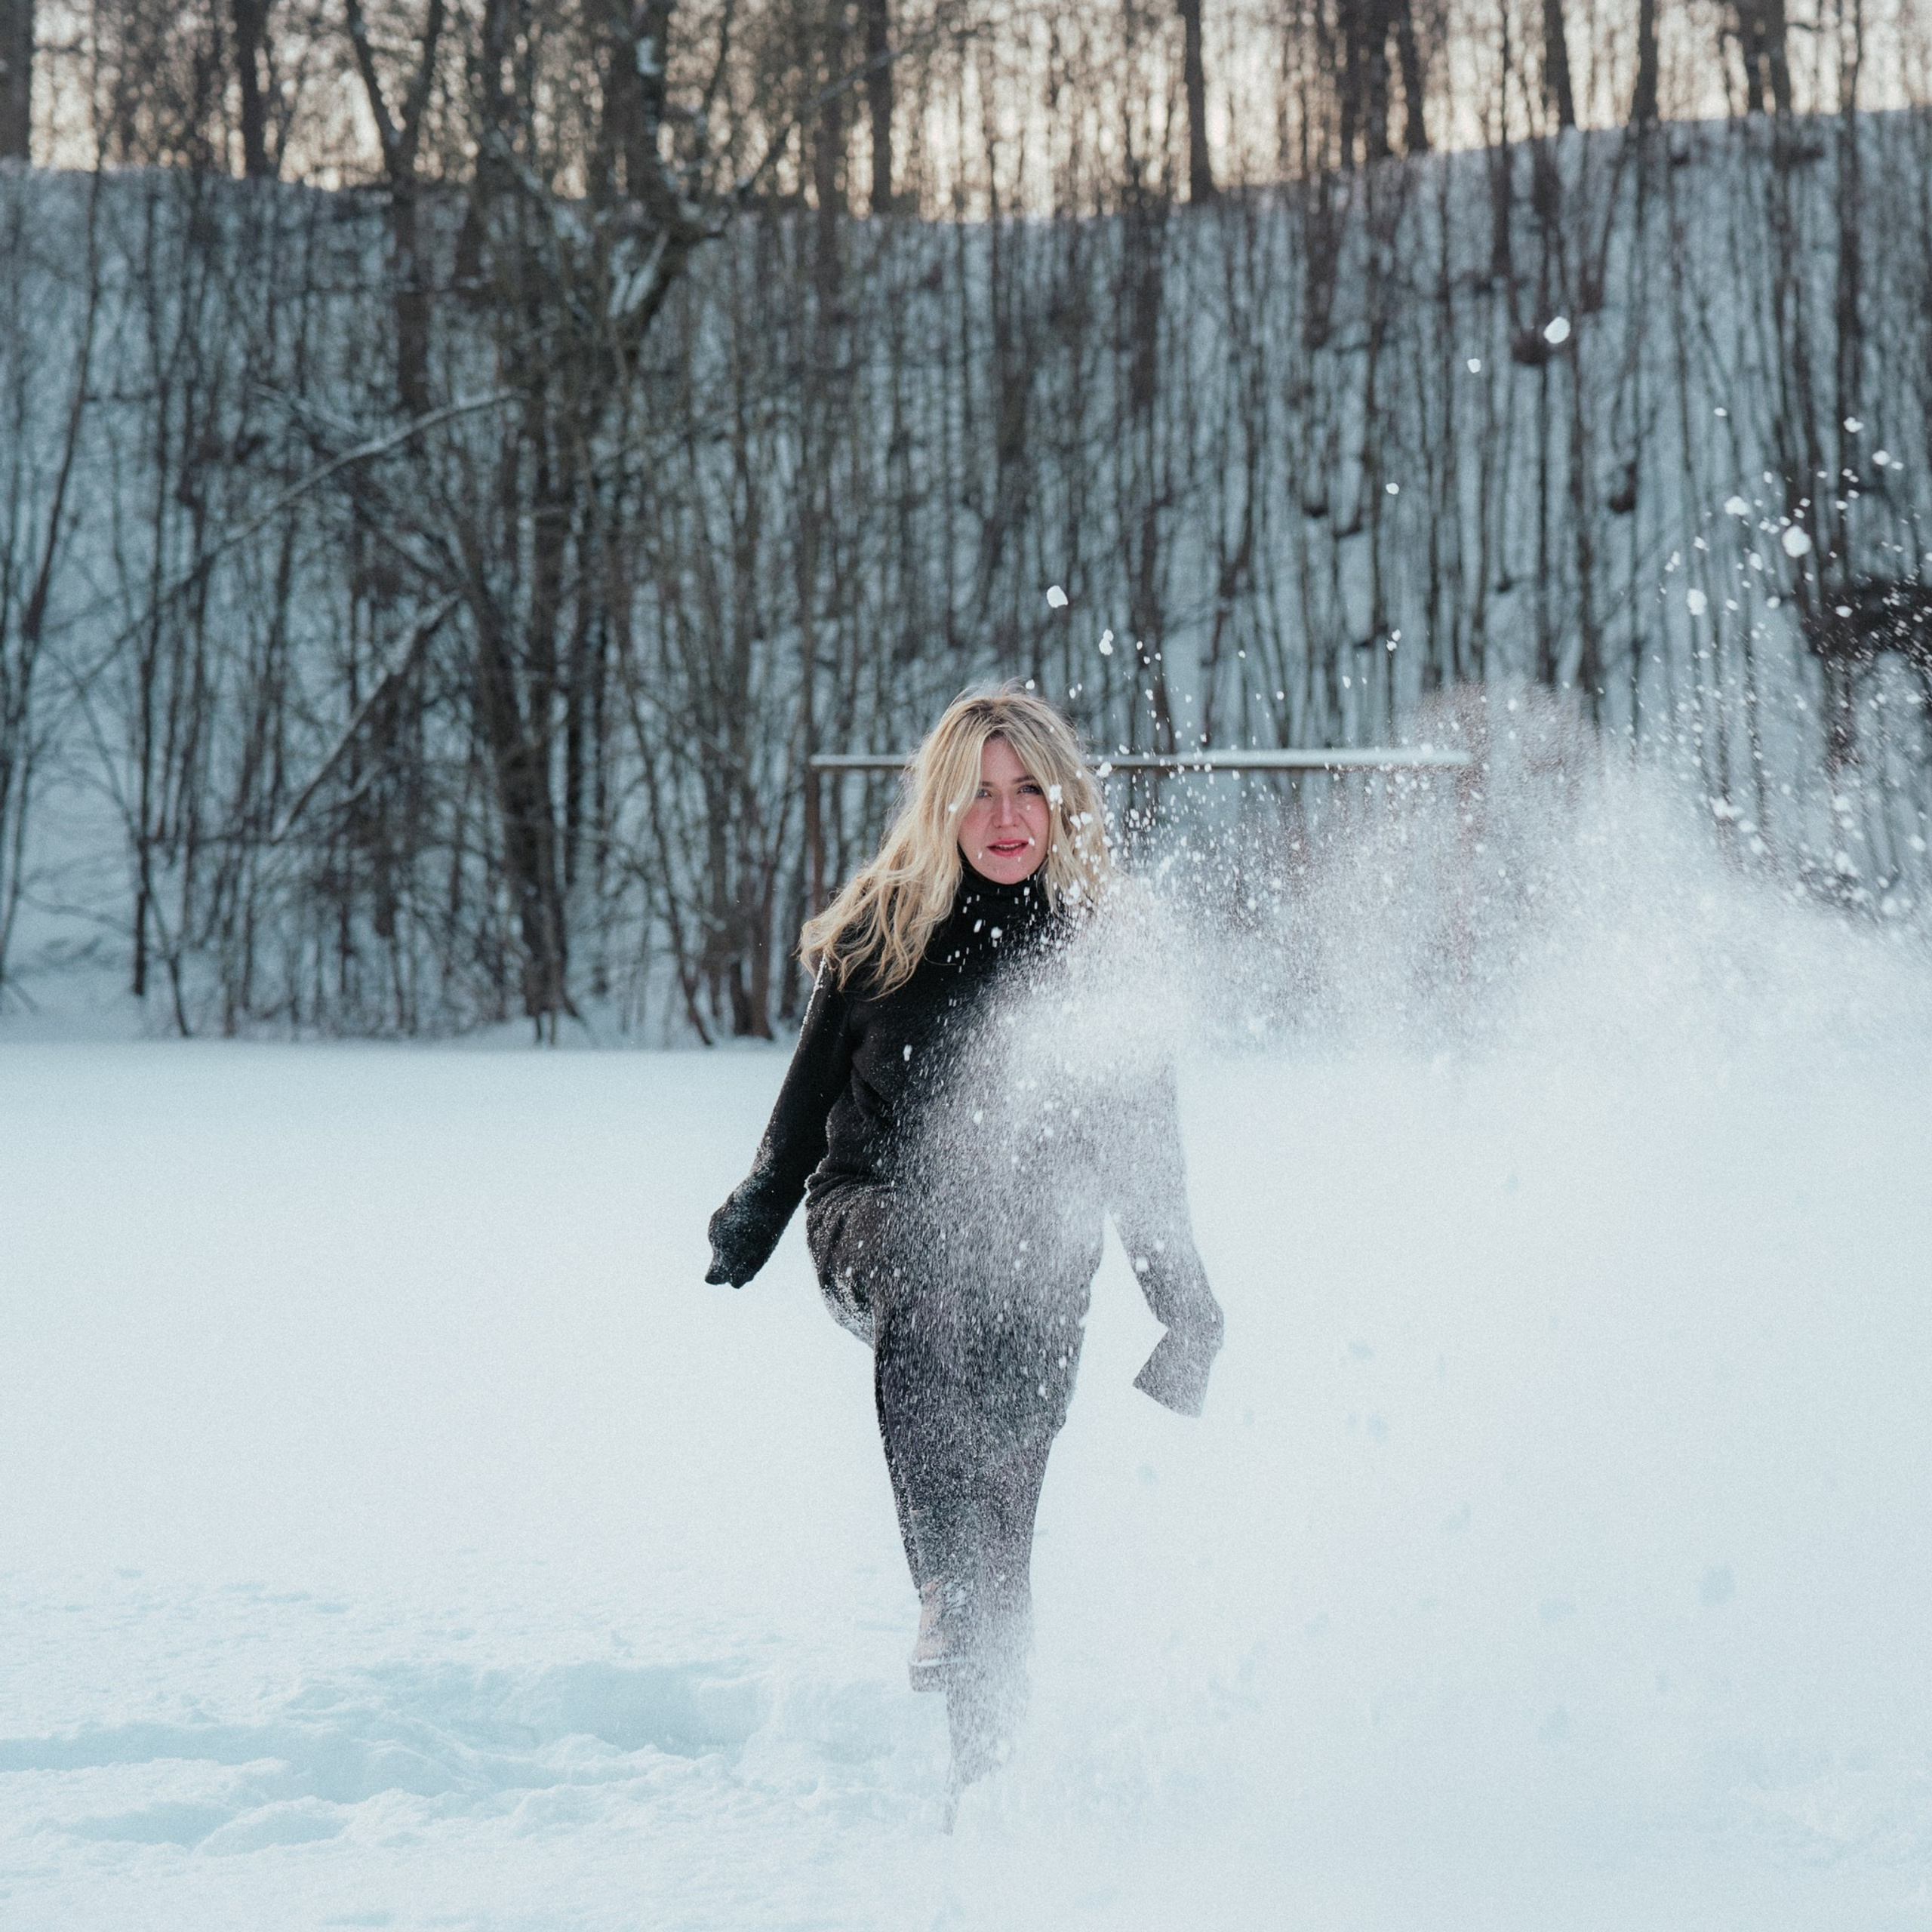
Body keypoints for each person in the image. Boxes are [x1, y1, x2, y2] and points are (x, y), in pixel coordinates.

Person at [705, 685, 1223, 1784]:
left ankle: (984, 1783)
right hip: (875, 1221)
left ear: (1061, 803)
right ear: (942, 806)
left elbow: (1145, 1162)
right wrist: (755, 1214)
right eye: (979, 792)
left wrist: (1187, 1311)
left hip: (1038, 1260)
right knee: (941, 1250)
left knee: (1004, 1520)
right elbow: (798, 1123)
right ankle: (940, 1591)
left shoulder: (1104, 958)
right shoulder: (880, 932)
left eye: (1028, 788)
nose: (1006, 815)